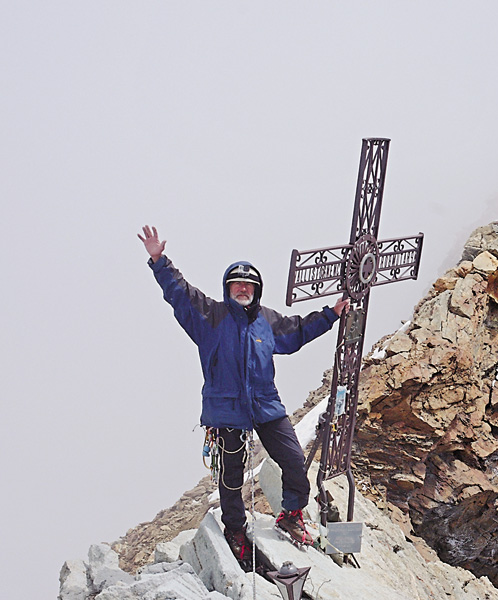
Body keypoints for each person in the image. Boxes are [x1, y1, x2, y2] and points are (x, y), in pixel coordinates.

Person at [138, 225, 348, 569]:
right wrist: (159, 260)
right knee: (230, 478)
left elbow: (297, 331)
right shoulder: (209, 316)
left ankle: (291, 514)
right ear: (227, 288)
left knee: (294, 461)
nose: (242, 288)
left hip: (266, 405)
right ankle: (236, 531)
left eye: (248, 284)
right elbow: (179, 293)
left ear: (257, 290)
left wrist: (330, 315)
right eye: (236, 284)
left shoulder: (267, 321)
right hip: (226, 412)